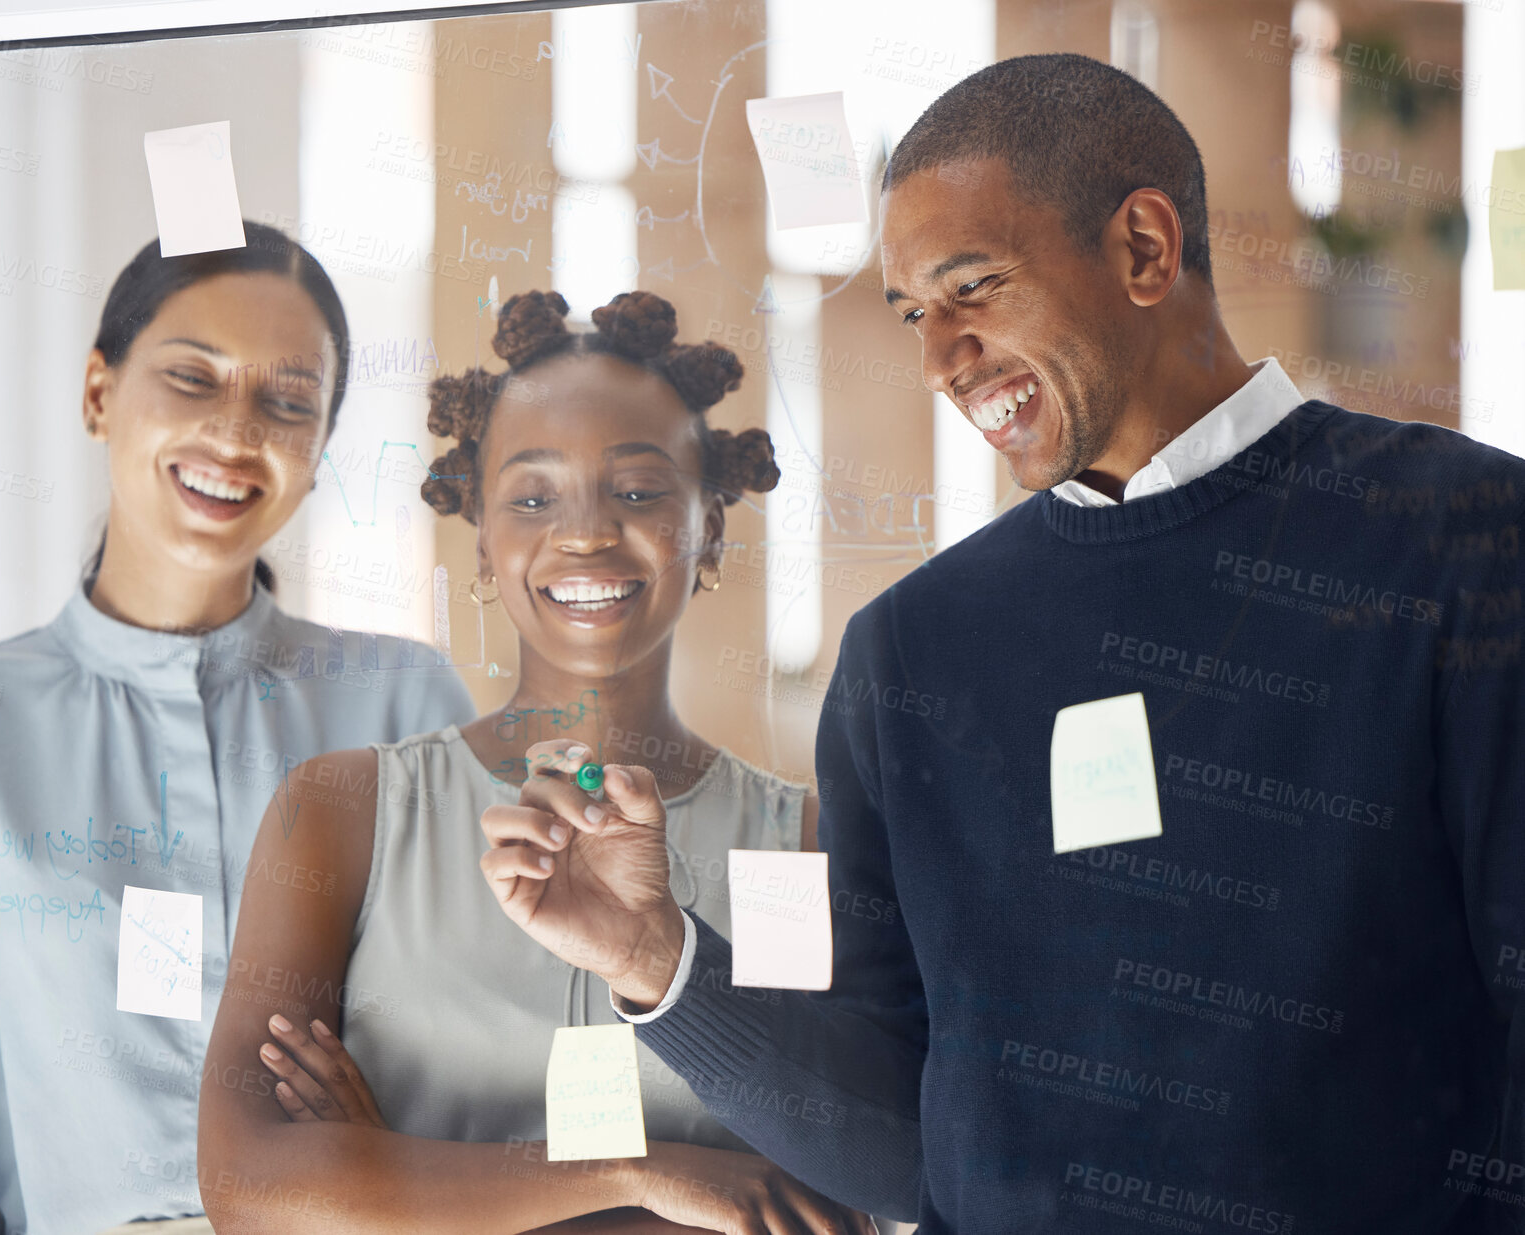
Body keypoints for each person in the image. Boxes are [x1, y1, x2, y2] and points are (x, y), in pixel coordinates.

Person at [476, 54, 1525, 1235]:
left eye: (972, 287)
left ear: (1143, 248)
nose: (939, 360)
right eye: (918, 314)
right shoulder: (907, 658)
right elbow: (902, 1140)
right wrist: (653, 959)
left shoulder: (1465, 543)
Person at [198, 289, 877, 1234]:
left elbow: (829, 1206)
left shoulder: (796, 845)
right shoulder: (343, 811)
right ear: (481, 532)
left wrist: (387, 1185)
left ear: (711, 524)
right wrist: (641, 1173)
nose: (588, 531)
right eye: (531, 496)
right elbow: (254, 1187)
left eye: (639, 491)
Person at [0, 221, 476, 1235]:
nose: (237, 429)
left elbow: (484, 1050)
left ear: (319, 449)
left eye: (288, 399)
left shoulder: (404, 703)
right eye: (193, 376)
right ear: (98, 393)